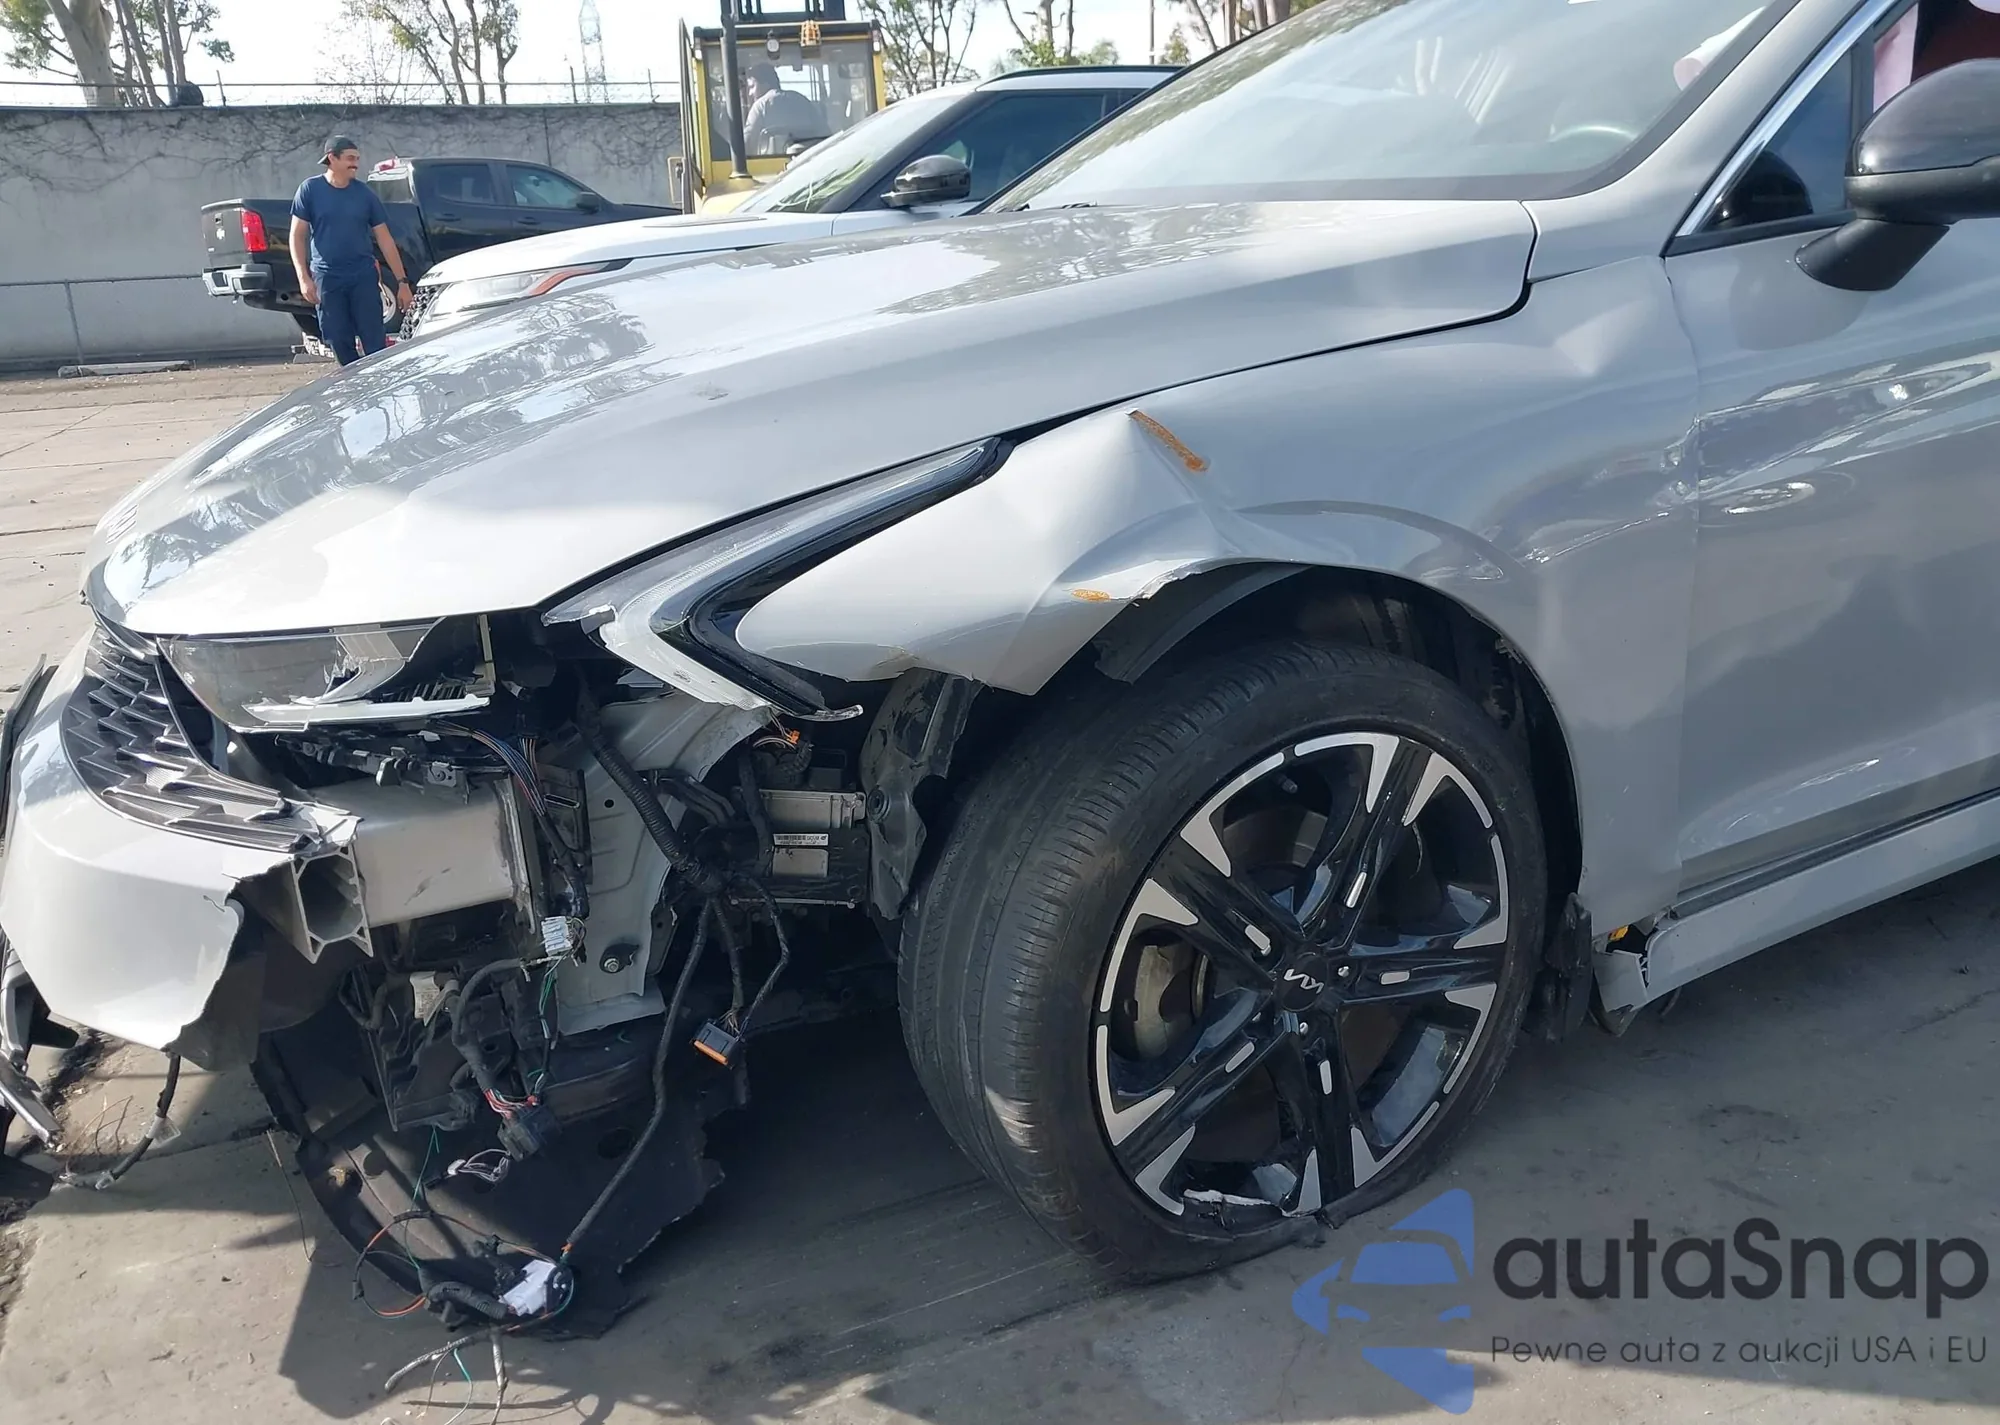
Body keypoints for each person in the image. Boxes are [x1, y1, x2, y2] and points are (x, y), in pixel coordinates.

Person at [289, 134, 413, 365]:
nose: (355, 163)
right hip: (327, 278)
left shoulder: (364, 194)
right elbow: (296, 235)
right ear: (332, 158)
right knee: (337, 338)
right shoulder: (310, 190)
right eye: (350, 158)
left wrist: (402, 282)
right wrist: (303, 277)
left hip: (362, 275)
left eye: (357, 158)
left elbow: (385, 239)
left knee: (374, 340)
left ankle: (376, 378)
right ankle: (351, 380)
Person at [742, 63, 827, 156]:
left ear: (766, 84)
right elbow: (825, 134)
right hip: (811, 158)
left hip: (772, 163)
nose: (750, 93)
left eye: (752, 87)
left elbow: (746, 146)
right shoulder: (801, 100)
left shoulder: (760, 106)